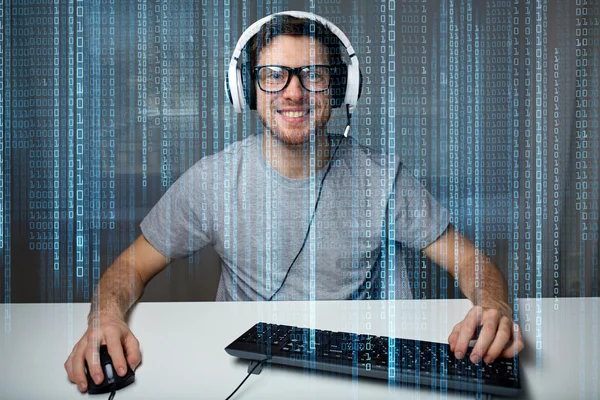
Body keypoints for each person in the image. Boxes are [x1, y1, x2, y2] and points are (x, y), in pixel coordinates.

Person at [65, 11, 524, 393]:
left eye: (314, 75)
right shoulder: (212, 180)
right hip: (248, 374)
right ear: (246, 91)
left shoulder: (383, 178)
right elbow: (130, 267)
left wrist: (495, 308)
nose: (293, 91)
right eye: (272, 76)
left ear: (340, 89)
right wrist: (104, 319)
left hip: (357, 373)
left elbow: (470, 261)